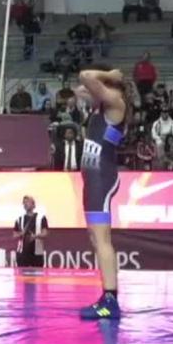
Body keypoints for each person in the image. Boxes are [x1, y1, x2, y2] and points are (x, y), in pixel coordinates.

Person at [76, 65, 128, 319]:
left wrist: (108, 76)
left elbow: (85, 76)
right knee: (96, 239)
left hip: (102, 178)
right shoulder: (101, 106)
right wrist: (103, 81)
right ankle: (106, 296)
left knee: (102, 238)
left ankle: (111, 300)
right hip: (92, 178)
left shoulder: (116, 102)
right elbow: (79, 89)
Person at [13, 196, 49, 268]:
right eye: (24, 202)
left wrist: (35, 236)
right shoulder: (19, 219)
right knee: (21, 274)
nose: (25, 204)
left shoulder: (41, 218)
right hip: (22, 254)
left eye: (27, 202)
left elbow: (45, 234)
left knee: (38, 274)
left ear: (33, 205)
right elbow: (15, 235)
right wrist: (21, 234)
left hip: (37, 253)